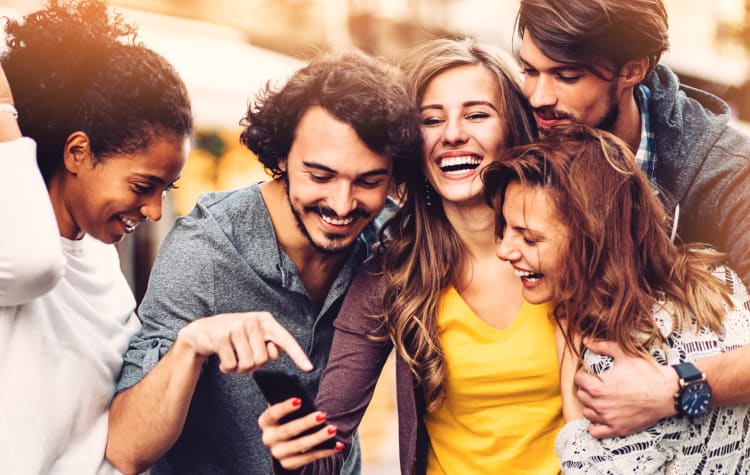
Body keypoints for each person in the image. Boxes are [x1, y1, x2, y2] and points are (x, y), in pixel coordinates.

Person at [258, 38, 568, 475]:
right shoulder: (390, 277)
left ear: (514, 128)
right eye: (431, 120)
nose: (453, 134)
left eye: (477, 114)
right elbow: (327, 450)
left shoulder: (575, 249)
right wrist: (295, 451)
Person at [105, 49, 422, 475]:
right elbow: (127, 449)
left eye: (368, 181)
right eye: (320, 176)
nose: (343, 205)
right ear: (280, 158)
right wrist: (192, 345)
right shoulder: (206, 249)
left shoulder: (390, 243)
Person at [515, 0, 750, 439]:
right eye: (529, 70)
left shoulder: (725, 170)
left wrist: (674, 387)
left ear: (632, 70)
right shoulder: (526, 133)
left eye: (567, 76)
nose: (538, 97)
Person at [485, 123, 750, 473]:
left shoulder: (621, 357)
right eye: (504, 230)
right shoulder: (716, 282)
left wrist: (570, 367)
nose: (504, 250)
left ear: (595, 238)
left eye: (530, 239)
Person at [0, 0, 193, 473]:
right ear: (78, 152)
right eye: (142, 186)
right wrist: (5, 111)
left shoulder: (100, 260)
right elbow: (34, 262)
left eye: (167, 189)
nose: (153, 210)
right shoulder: (16, 248)